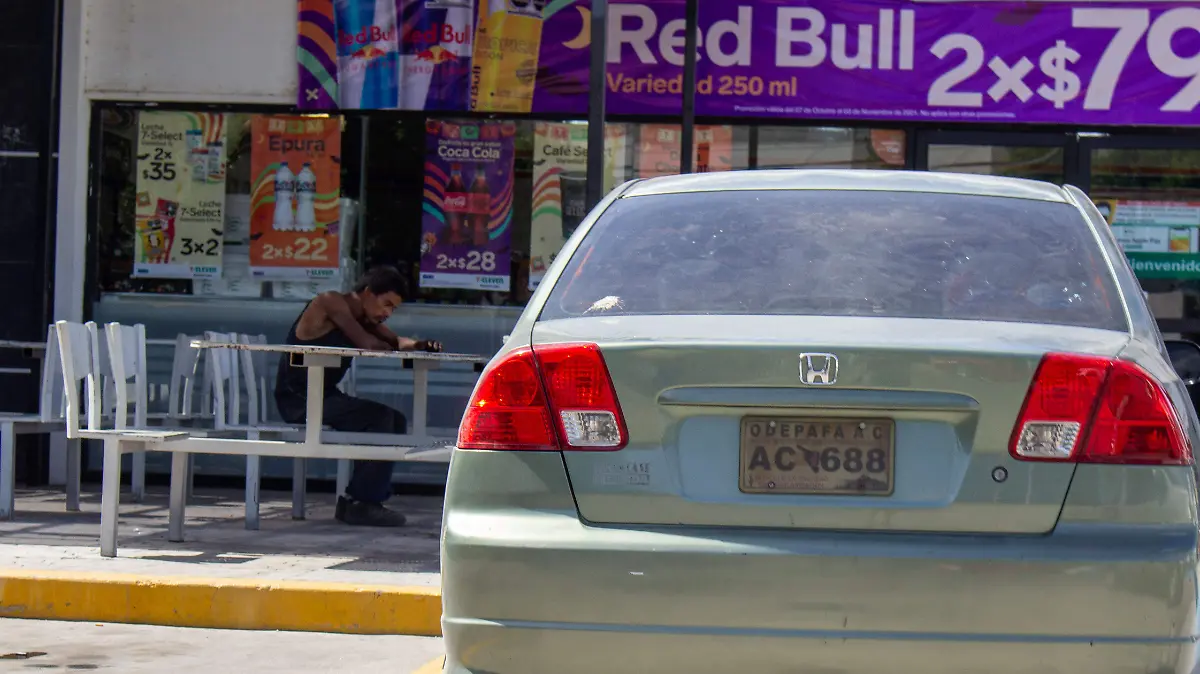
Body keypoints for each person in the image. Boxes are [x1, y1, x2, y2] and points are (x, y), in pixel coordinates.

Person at [274, 266, 443, 527]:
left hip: (325, 397)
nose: (387, 313)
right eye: (386, 304)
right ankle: (362, 503)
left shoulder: (365, 318)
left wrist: (422, 345)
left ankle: (362, 500)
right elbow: (367, 343)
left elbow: (397, 341)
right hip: (299, 399)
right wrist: (386, 343)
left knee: (395, 420)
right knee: (380, 419)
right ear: (367, 292)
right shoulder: (330, 302)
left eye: (393, 309)